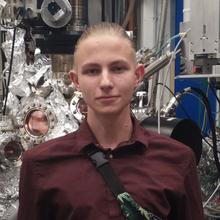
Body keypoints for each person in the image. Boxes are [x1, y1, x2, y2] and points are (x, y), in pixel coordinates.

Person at [17, 22, 204, 220]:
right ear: (76, 80)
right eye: (92, 71)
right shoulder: (41, 165)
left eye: (118, 68)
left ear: (137, 75)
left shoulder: (177, 161)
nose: (106, 82)